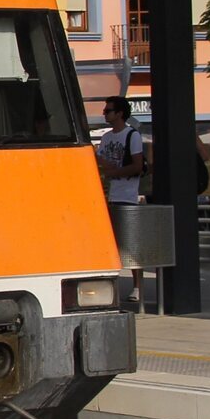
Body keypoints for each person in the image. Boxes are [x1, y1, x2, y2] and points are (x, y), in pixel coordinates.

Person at [96, 96, 145, 303]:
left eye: (108, 111)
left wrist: (114, 172)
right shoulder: (106, 138)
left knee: (130, 244)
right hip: (109, 195)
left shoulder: (132, 136)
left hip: (126, 196)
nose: (105, 113)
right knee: (111, 243)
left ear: (120, 113)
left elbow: (138, 165)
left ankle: (137, 286)